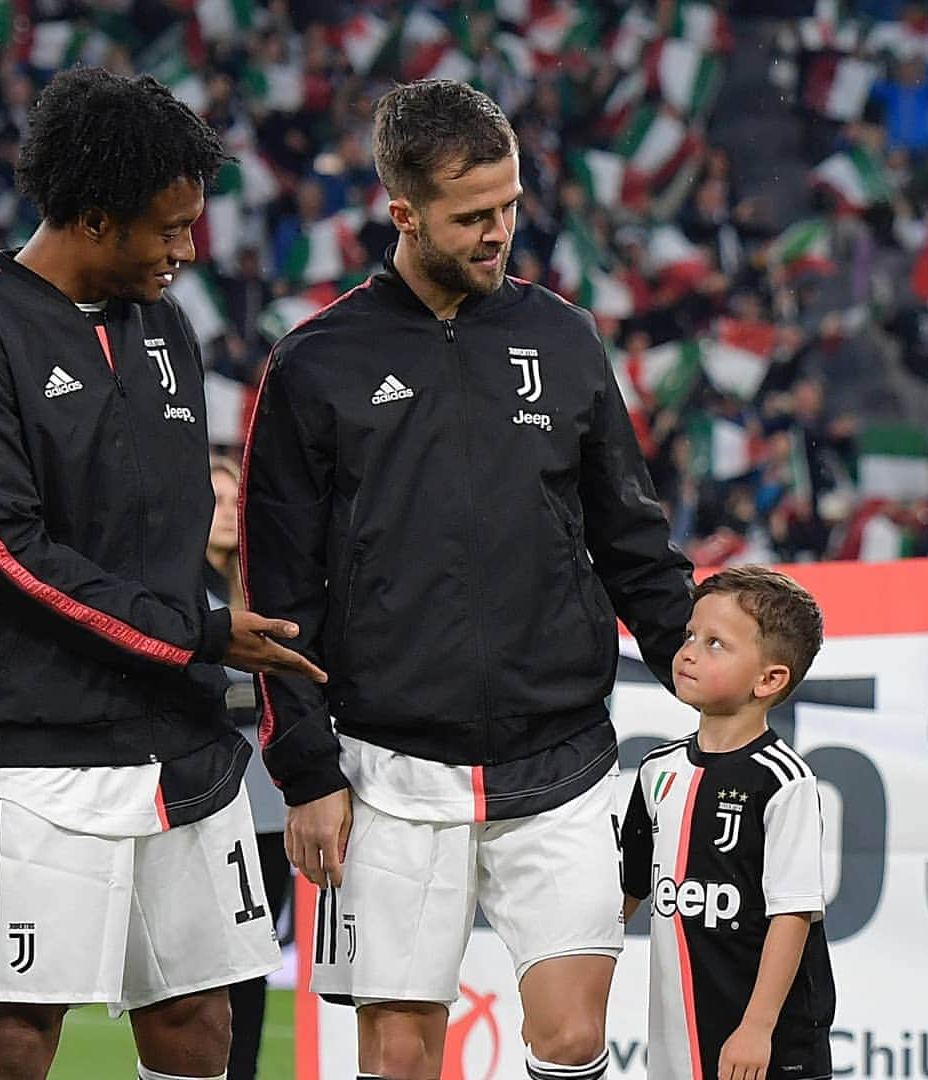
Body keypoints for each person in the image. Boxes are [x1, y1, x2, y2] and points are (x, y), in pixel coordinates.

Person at [242, 78, 695, 1080]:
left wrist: (701, 673)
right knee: (400, 1055)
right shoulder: (312, 365)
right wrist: (307, 773)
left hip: (560, 752)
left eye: (512, 206)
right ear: (403, 214)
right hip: (387, 767)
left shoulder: (564, 338)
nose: (500, 233)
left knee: (573, 1037)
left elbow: (634, 539)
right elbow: (277, 599)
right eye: (473, 216)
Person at [0, 66, 326, 1080]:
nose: (187, 253)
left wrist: (210, 628)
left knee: (198, 1028)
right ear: (95, 219)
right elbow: (6, 552)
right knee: (17, 1034)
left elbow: (184, 530)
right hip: (47, 751)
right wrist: (199, 629)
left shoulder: (166, 331)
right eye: (169, 230)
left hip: (186, 744)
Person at [621, 566, 835, 1080]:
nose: (689, 651)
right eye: (690, 635)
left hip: (769, 1042)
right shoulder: (657, 769)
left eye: (716, 643)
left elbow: (793, 914)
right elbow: (625, 893)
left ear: (769, 679)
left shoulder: (784, 781)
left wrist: (758, 1028)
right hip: (678, 1036)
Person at [205, 455, 291, 1080]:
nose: (228, 512)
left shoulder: (269, 583)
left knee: (255, 957)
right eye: (212, 499)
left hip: (268, 803)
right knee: (201, 963)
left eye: (234, 499)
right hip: (205, 797)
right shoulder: (175, 589)